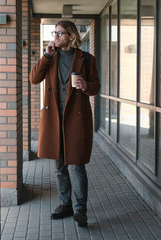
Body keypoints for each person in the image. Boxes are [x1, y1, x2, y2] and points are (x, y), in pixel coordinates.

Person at [29, 20, 100, 227]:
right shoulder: (51, 57)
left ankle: (80, 210)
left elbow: (96, 86)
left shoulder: (86, 59)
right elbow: (34, 78)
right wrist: (46, 55)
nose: (55, 37)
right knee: (59, 166)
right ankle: (65, 204)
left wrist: (86, 85)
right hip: (54, 120)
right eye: (54, 33)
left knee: (77, 166)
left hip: (76, 120)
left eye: (59, 33)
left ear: (71, 36)